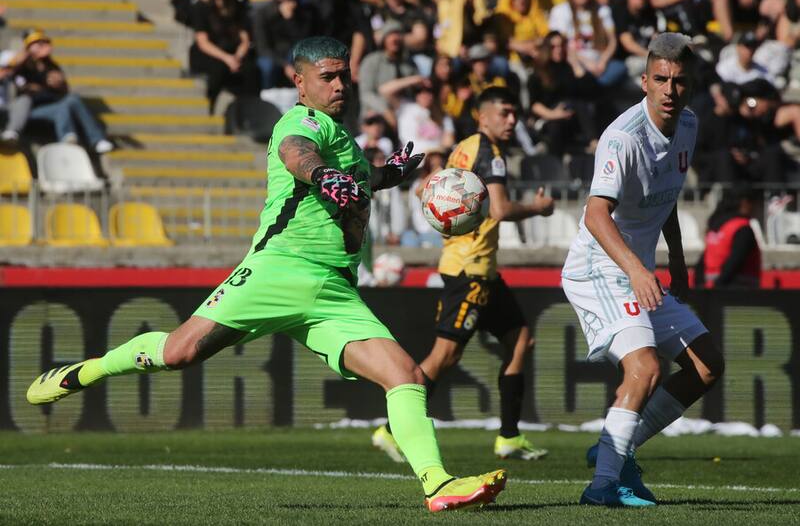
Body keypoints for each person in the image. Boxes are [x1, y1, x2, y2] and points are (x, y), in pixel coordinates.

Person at [26, 36, 506, 513]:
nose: (340, 84)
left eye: (344, 75)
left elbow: (359, 178)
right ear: (299, 82)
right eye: (328, 77)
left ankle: (438, 485)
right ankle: (86, 371)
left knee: (407, 377)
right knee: (179, 352)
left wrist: (389, 173)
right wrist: (323, 176)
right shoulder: (299, 123)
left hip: (334, 289)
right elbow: (298, 154)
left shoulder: (344, 140)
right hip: (277, 270)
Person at [561, 33, 725, 507]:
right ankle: (603, 486)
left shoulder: (688, 125)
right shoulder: (622, 137)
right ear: (644, 81)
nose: (670, 90)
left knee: (707, 365)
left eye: (679, 81)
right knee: (645, 367)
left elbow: (664, 194)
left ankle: (619, 447)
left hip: (640, 270)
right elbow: (595, 214)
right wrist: (637, 268)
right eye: (661, 80)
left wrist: (675, 255)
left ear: (690, 85)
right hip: (600, 268)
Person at [372, 86, 556, 462]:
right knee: (444, 357)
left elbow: (429, 186)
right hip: (470, 269)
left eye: (514, 113)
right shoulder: (489, 153)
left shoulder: (464, 147)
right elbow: (501, 210)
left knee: (520, 340)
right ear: (482, 115)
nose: (512, 120)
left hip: (479, 268)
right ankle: (392, 430)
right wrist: (538, 207)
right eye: (504, 113)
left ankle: (509, 436)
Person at [5, 31, 114, 152]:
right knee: (25, 100)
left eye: (44, 42)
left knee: (72, 100)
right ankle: (11, 132)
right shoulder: (22, 65)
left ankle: (91, 139)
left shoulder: (51, 66)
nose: (43, 46)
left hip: (49, 109)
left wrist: (60, 85)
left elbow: (63, 92)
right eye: (37, 43)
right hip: (27, 111)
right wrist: (23, 58)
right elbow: (9, 73)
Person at [189, 0, 259, 114]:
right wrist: (227, 58)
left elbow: (245, 39)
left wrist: (237, 57)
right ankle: (211, 107)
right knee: (218, 69)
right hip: (211, 54)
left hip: (233, 53)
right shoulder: (201, 7)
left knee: (251, 69)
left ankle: (247, 112)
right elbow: (203, 42)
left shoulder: (237, 6)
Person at [695, 187, 761, 288]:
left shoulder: (717, 227)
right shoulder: (742, 228)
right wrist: (718, 286)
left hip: (709, 289)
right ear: (745, 203)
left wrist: (701, 288)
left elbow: (702, 262)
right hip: (737, 291)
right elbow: (735, 262)